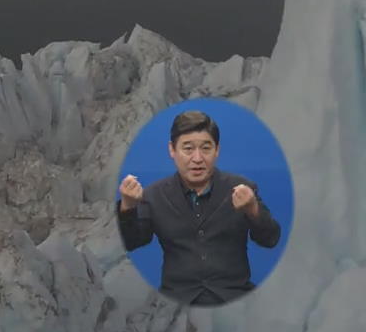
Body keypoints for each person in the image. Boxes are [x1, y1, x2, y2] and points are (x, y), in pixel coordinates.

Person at [117, 110, 281, 306]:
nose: (197, 158)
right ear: (172, 150)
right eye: (188, 149)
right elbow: (133, 242)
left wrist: (252, 209)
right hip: (176, 300)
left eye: (206, 148)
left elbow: (271, 239)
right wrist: (128, 206)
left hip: (234, 298)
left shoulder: (242, 188)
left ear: (217, 150)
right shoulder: (154, 195)